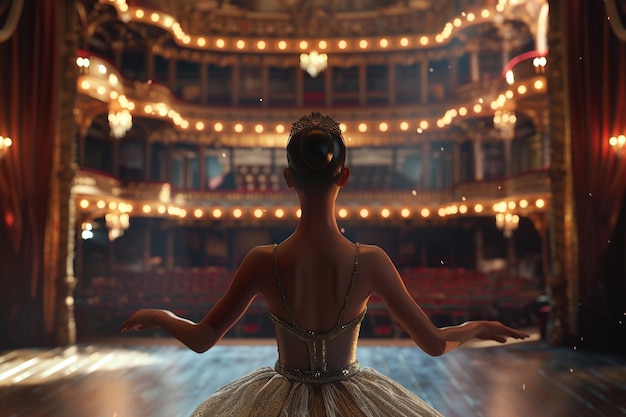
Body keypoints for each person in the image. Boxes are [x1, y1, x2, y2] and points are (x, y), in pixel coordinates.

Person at [121, 111, 530, 416]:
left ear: (288, 178)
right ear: (345, 176)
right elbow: (437, 344)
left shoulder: (262, 261)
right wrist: (477, 326)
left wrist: (159, 315)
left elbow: (201, 338)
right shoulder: (371, 261)